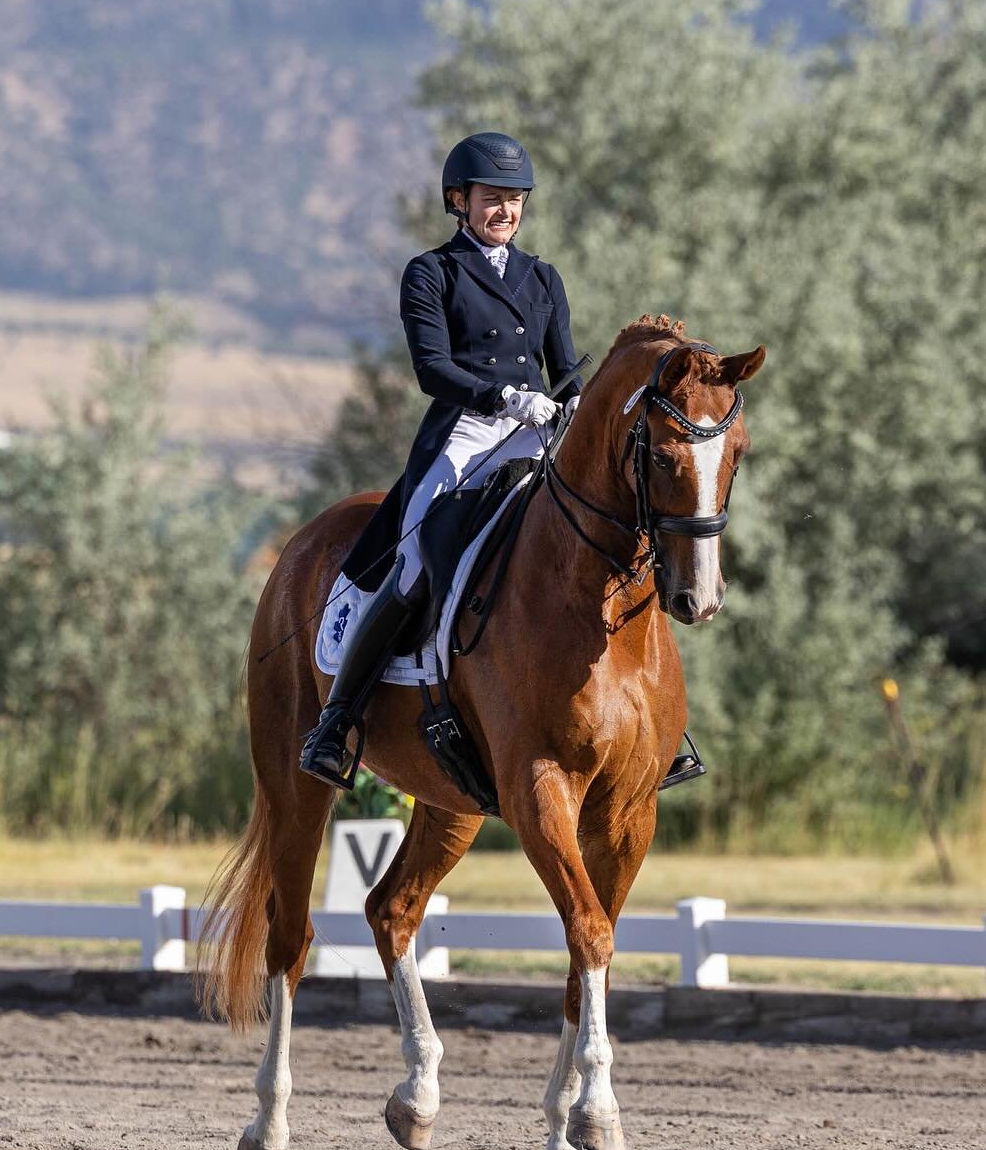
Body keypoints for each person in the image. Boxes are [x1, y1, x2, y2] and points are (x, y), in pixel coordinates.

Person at [299, 131, 701, 793]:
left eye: (514, 202)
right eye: (493, 200)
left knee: (608, 541)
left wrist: (570, 404)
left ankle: (658, 723)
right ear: (460, 202)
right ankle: (338, 720)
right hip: (465, 432)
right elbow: (433, 368)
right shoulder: (433, 273)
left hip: (536, 432)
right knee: (419, 560)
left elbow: (565, 365)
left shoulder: (542, 277)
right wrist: (504, 395)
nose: (505, 212)